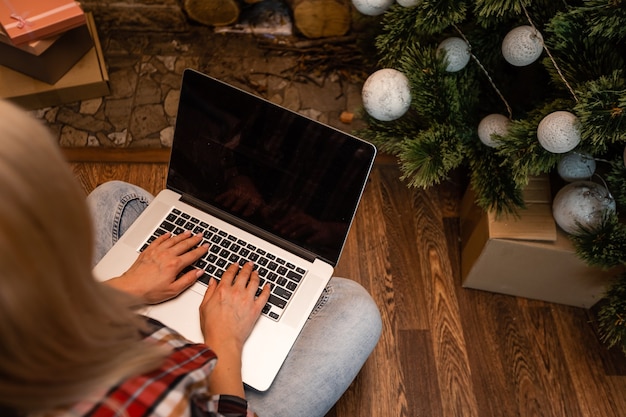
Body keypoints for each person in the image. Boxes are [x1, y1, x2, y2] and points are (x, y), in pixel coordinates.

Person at [0, 99, 382, 417]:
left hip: (118, 339)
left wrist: (124, 289)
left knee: (117, 199)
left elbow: (47, 322)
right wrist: (224, 341)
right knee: (355, 311)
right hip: (206, 387)